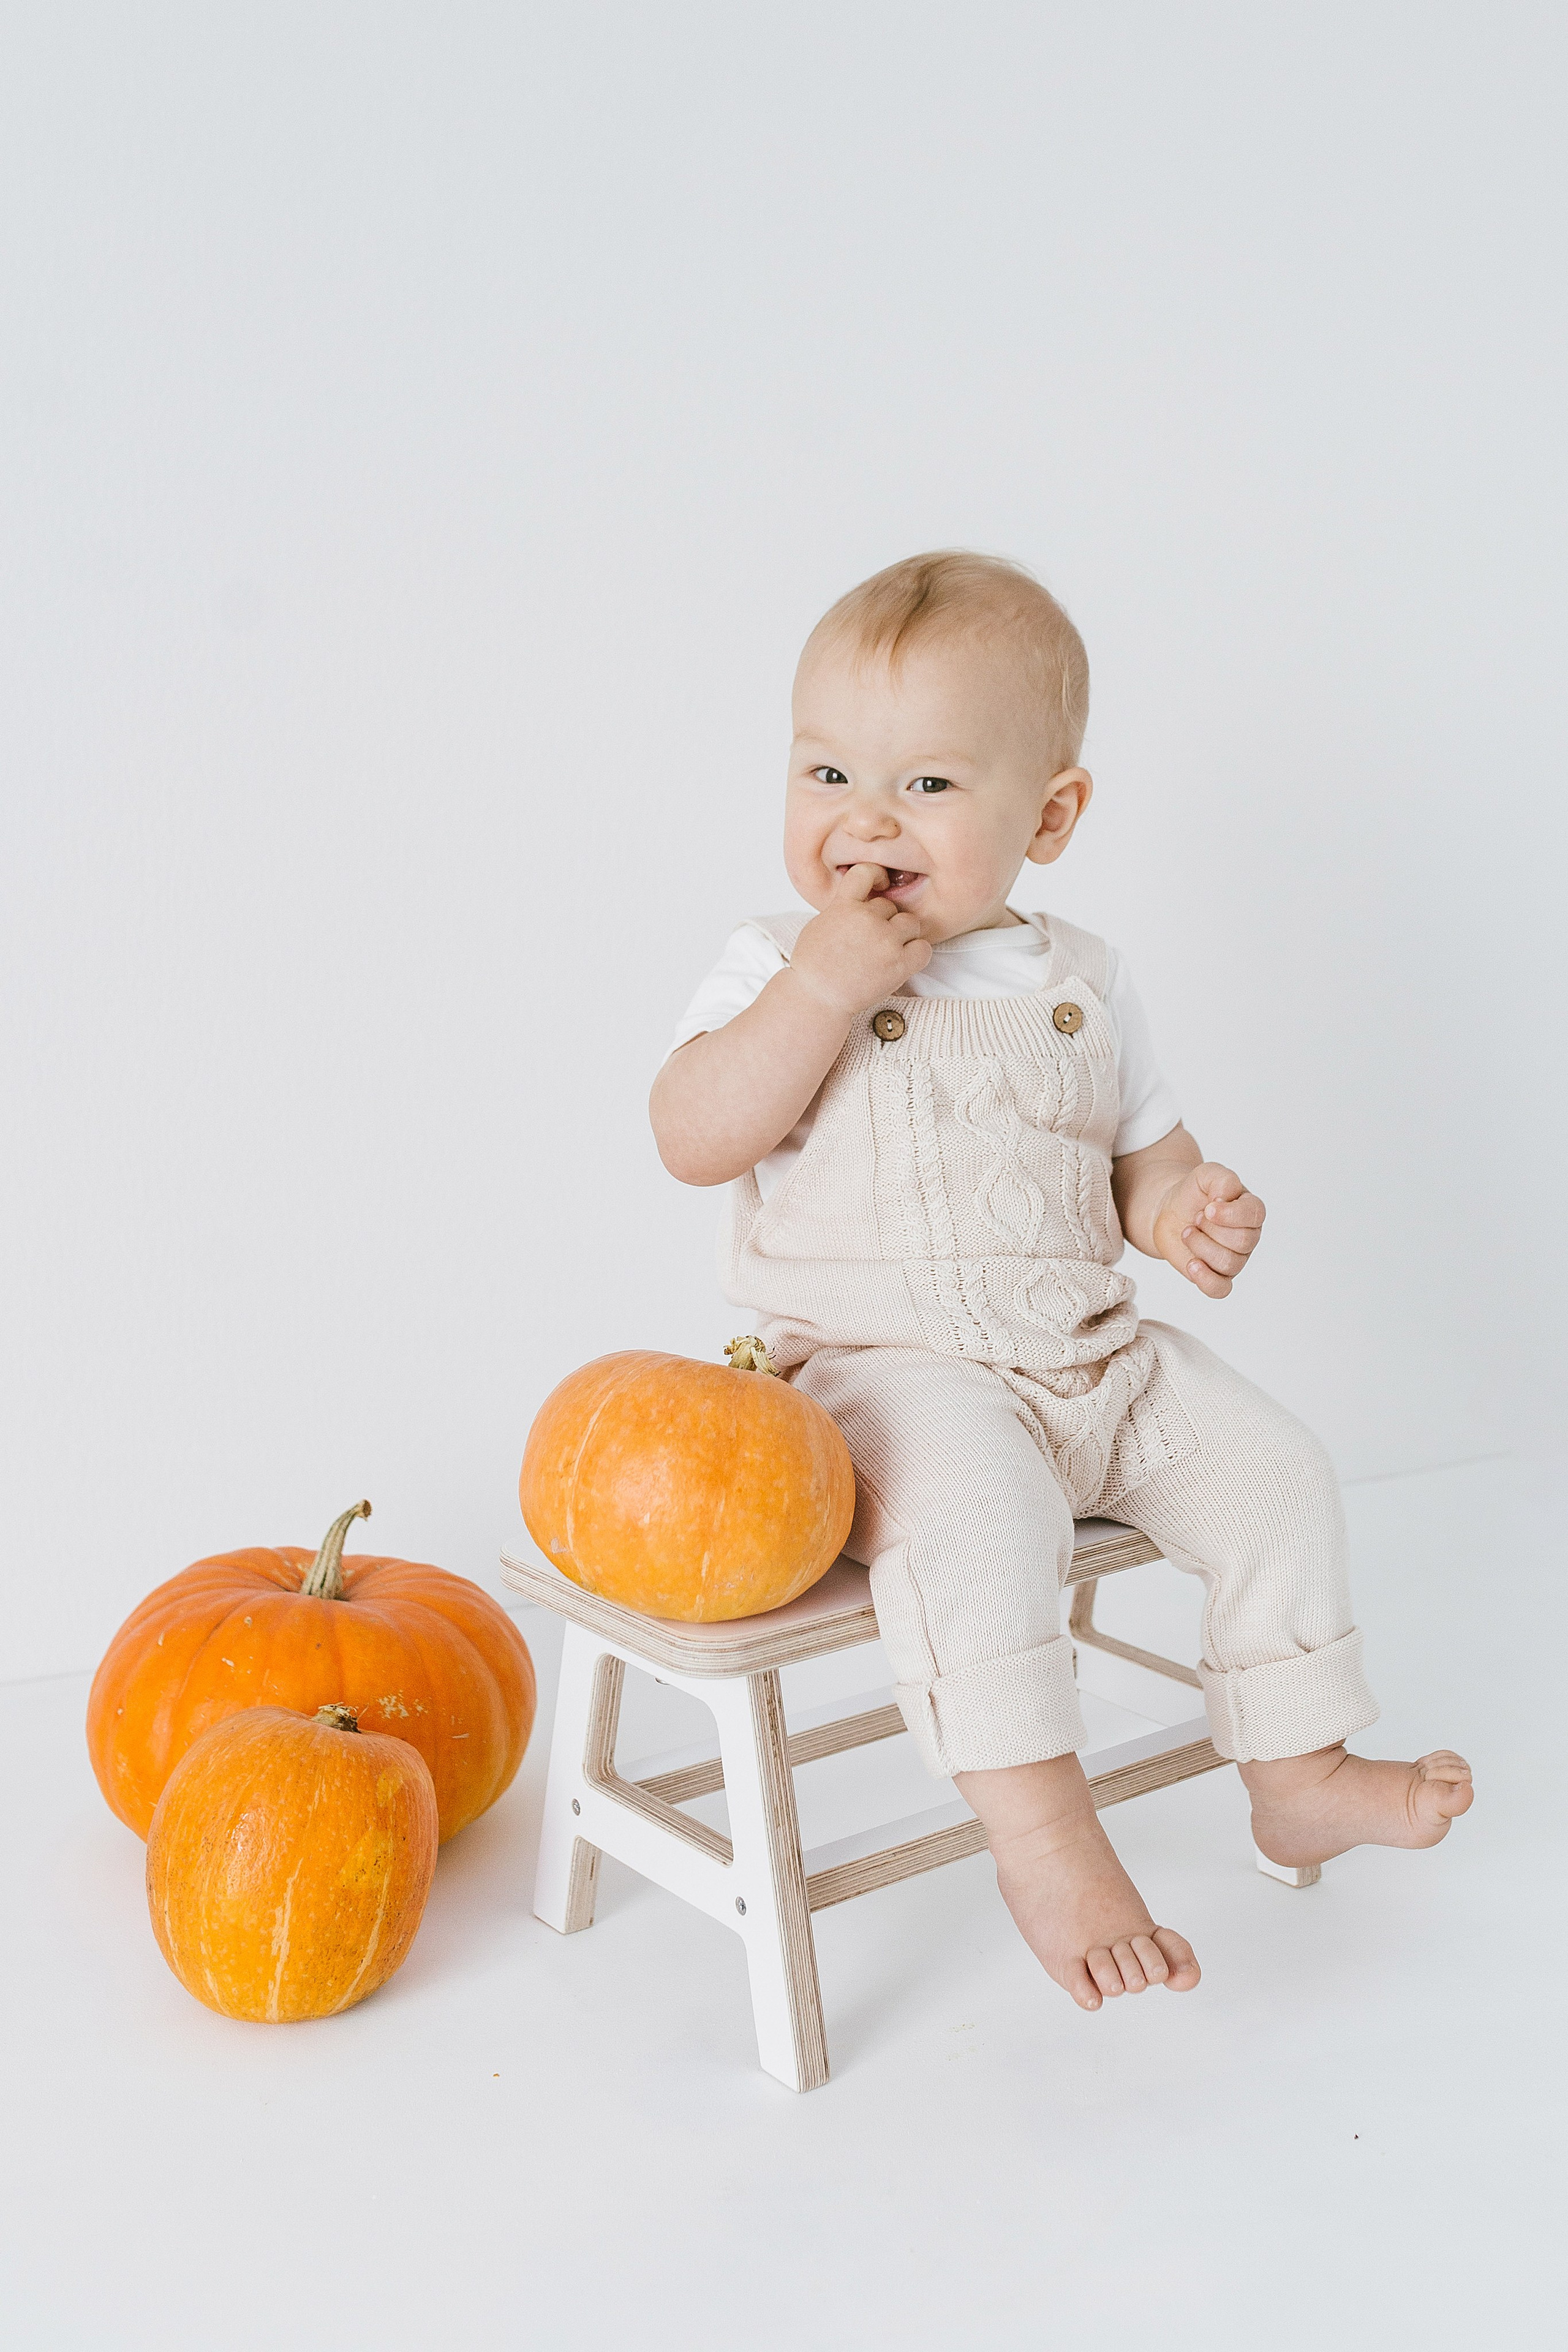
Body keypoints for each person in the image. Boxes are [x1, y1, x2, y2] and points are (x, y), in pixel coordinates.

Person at [649, 551, 1471, 2012]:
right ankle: (1042, 1834)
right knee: (980, 1520)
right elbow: (693, 1132)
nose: (865, 823)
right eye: (827, 773)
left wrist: (1179, 1211)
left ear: (1051, 814)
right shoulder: (773, 963)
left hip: (1092, 1358)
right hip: (878, 1375)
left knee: (1274, 1470)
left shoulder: (1080, 978)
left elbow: (1140, 1154)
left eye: (928, 787)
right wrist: (824, 991)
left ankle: (1295, 1769)